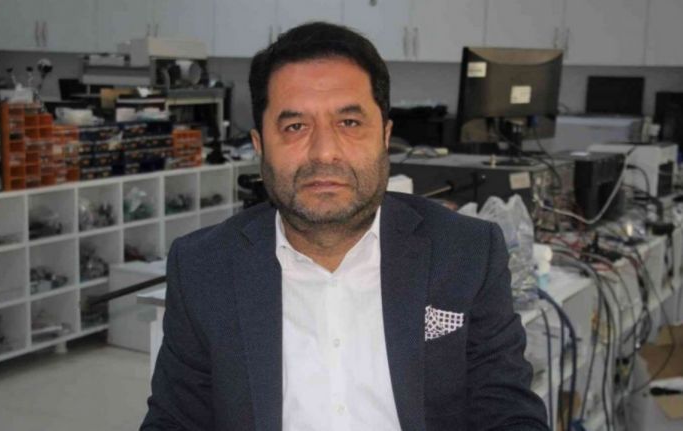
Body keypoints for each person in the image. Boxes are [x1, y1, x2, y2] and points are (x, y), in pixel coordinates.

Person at [142, 22, 548, 431]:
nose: (324, 152)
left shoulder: (466, 252)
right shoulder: (202, 268)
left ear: (385, 136)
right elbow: (174, 422)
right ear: (260, 146)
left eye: (349, 123)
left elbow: (508, 415)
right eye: (295, 127)